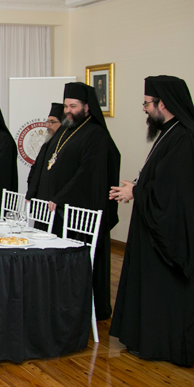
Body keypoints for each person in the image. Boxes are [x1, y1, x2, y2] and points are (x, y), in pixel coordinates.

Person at [109, 75, 194, 367]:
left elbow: (174, 192)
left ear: (163, 103)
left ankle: (164, 344)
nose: (144, 109)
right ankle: (146, 338)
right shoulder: (170, 131)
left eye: (147, 103)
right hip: (152, 226)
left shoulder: (186, 137)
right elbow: (158, 176)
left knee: (164, 288)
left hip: (169, 232)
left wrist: (137, 191)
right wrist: (136, 187)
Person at [31, 82, 121, 320]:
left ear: (87, 107)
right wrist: (38, 192)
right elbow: (45, 163)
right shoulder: (65, 130)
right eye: (66, 106)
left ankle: (73, 309)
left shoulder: (96, 135)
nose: (68, 111)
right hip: (53, 208)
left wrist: (61, 198)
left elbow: (88, 174)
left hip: (75, 211)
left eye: (73, 106)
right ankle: (52, 302)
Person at [26, 103, 64, 198]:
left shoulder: (63, 145)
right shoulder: (47, 144)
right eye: (47, 122)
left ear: (63, 124)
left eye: (52, 122)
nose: (48, 125)